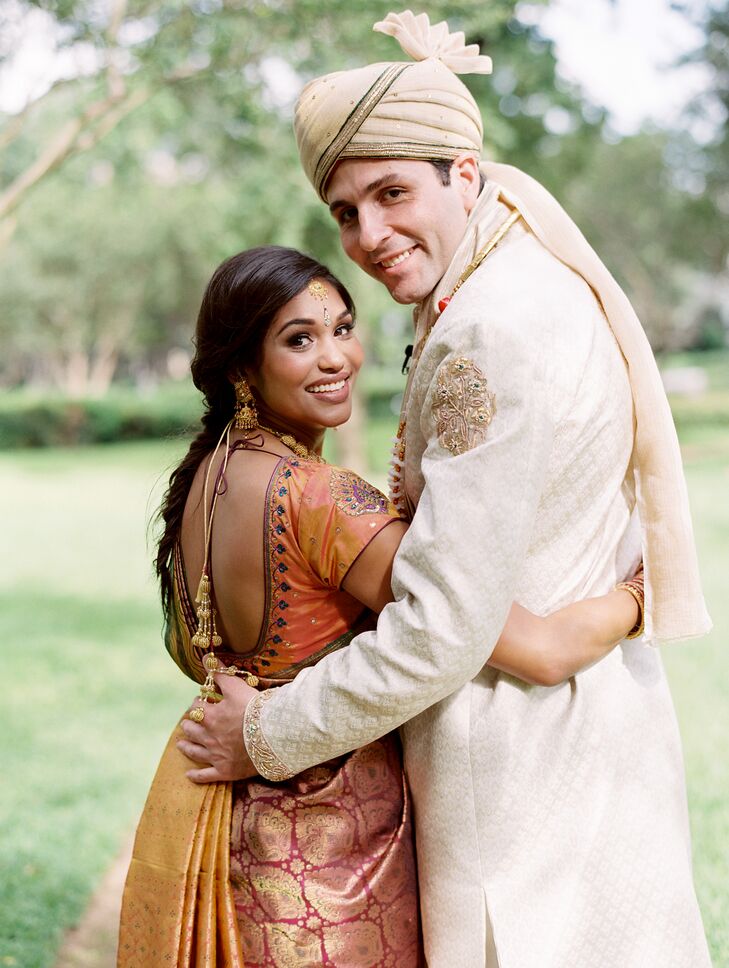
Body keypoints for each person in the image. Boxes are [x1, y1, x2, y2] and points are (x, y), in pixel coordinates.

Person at [182, 10, 713, 968]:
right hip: (587, 741)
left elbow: (438, 627)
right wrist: (609, 614)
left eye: (390, 194)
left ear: (461, 175)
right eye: (345, 212)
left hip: (514, 775)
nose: (369, 235)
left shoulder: (487, 329)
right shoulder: (513, 280)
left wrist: (264, 734)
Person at [118, 245, 644, 967]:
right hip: (328, 843)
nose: (336, 357)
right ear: (242, 365)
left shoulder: (205, 476)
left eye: (341, 327)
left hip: (229, 821)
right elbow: (538, 651)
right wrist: (637, 597)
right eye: (298, 339)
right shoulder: (323, 499)